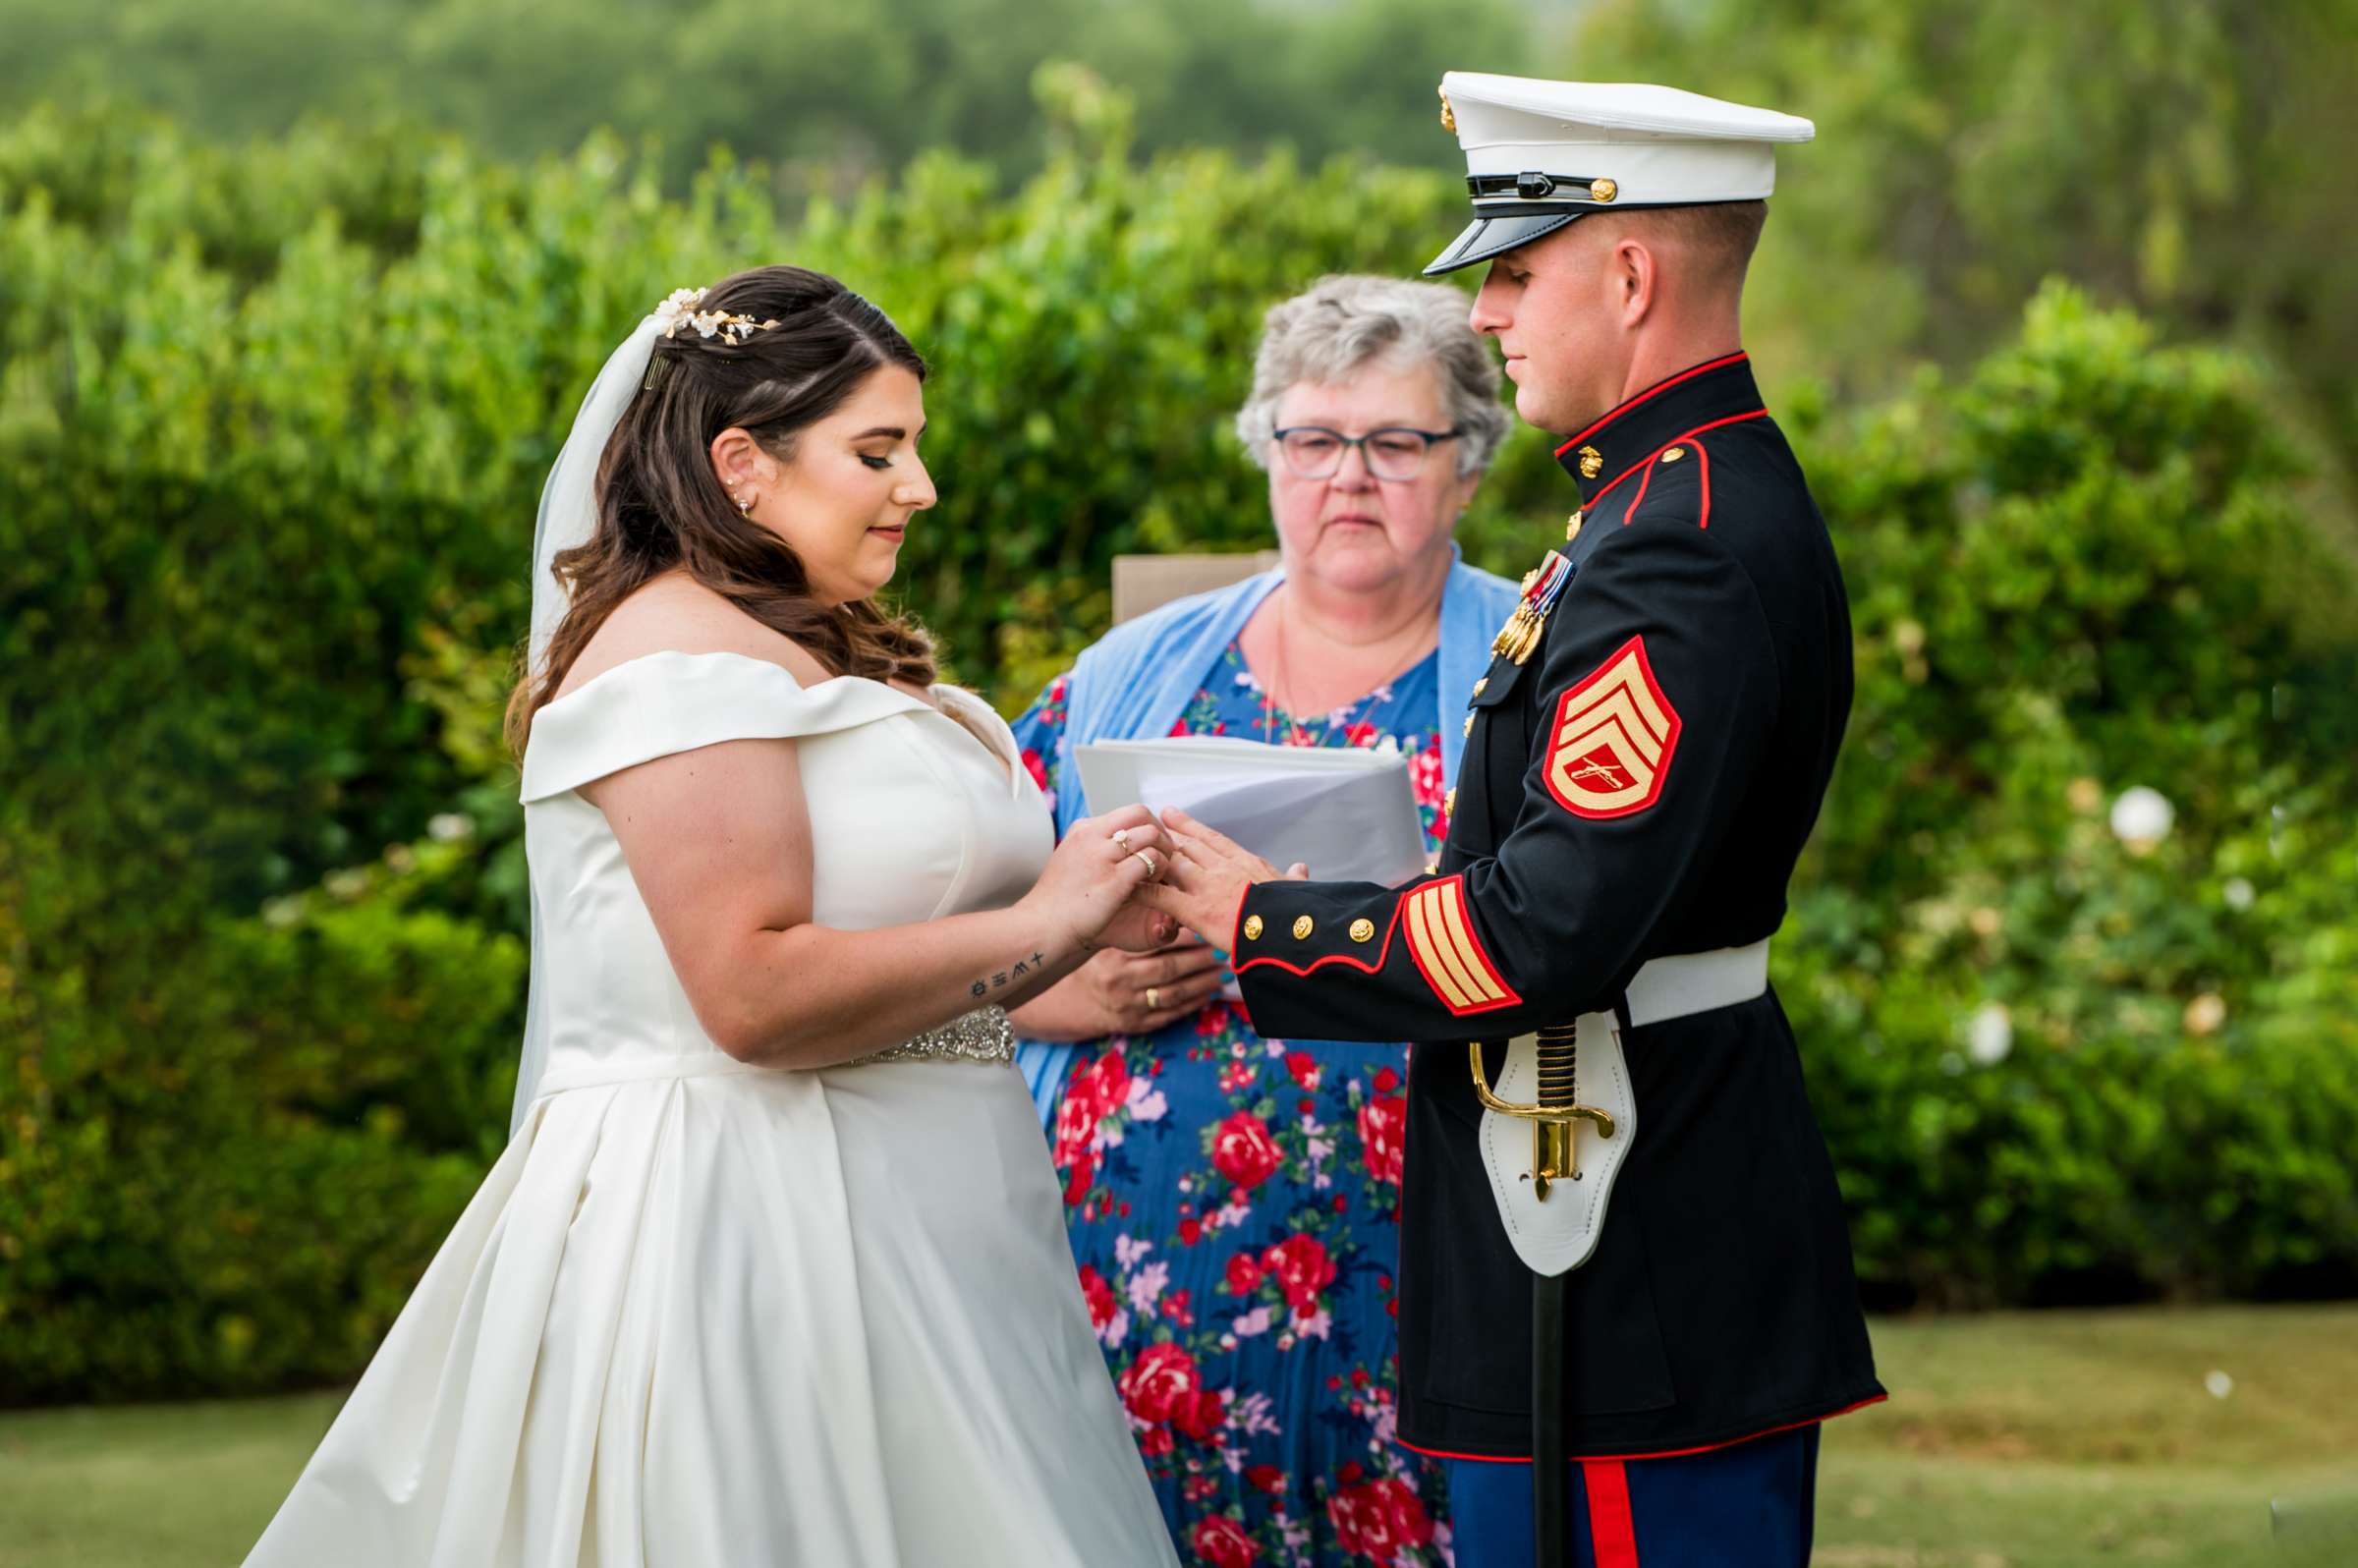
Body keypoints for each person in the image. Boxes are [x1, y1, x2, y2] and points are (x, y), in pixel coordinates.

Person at [243, 266, 1183, 1568]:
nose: (919, 488)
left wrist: (1068, 978)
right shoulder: (674, 659)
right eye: (879, 450)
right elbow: (752, 998)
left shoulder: (812, 644)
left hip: (932, 1230)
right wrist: (1053, 919)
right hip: (752, 1232)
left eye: (914, 448)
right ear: (742, 463)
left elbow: (901, 967)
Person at [1138, 77, 1885, 1568]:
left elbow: (1548, 923)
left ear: (1629, 273)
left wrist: (1259, 918)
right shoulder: (1654, 506)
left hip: (1628, 1238)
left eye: (1516, 269)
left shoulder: (1679, 541)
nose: (1486, 313)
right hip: (1597, 1199)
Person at [1004, 274, 1520, 1565]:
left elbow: (1575, 929)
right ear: (1269, 455)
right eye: (1313, 439)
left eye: (1397, 443)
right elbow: (962, 917)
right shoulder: (1134, 673)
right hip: (1141, 1251)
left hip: (1419, 1254)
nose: (1351, 475)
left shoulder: (1534, 661)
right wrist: (1060, 990)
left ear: (1466, 468)